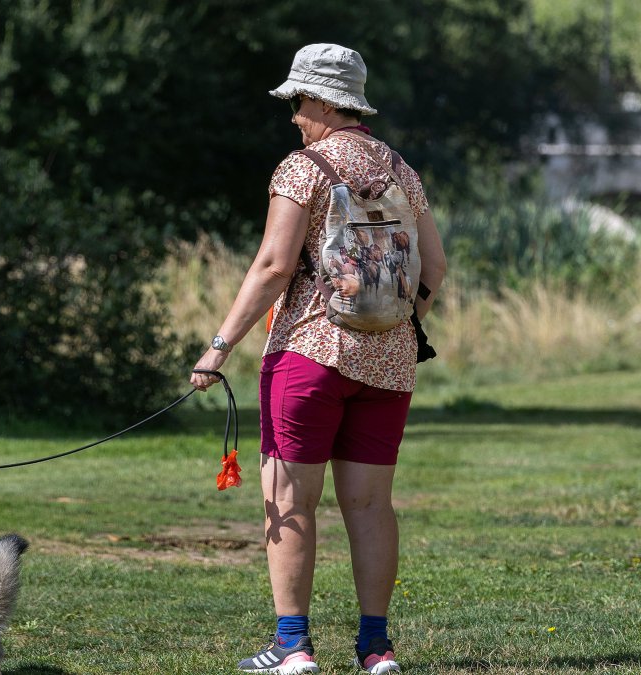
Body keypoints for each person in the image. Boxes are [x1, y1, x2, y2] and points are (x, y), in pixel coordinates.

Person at [190, 43, 447, 675]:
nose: (295, 115)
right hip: (390, 366)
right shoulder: (400, 169)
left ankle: (292, 645)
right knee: (370, 506)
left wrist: (219, 346)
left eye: (301, 102)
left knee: (289, 501)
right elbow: (434, 270)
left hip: (308, 357)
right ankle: (376, 648)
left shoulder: (301, 170)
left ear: (327, 103)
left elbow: (275, 267)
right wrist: (385, 323)